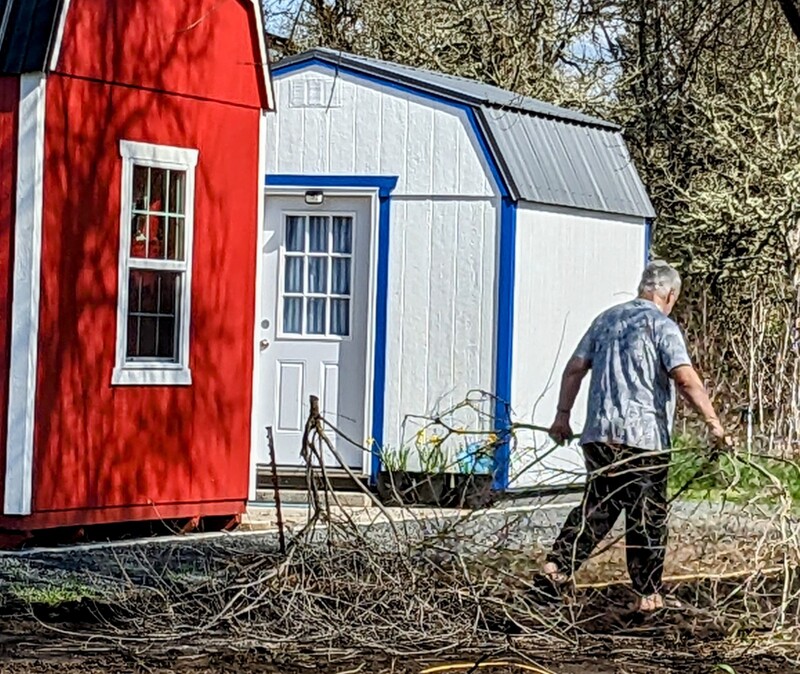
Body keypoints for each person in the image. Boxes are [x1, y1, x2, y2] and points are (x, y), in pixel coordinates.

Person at [541, 260, 729, 613]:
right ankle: (648, 595)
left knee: (599, 505)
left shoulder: (606, 320)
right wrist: (713, 423)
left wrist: (562, 417)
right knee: (647, 516)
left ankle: (556, 568)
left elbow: (575, 368)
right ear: (670, 294)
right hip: (644, 439)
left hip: (600, 435)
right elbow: (684, 378)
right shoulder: (663, 326)